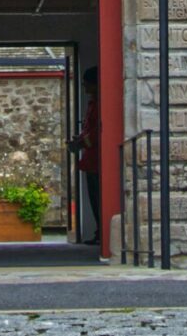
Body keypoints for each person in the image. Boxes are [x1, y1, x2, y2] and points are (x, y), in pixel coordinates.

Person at [69, 66, 101, 245]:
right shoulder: (93, 102)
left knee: (98, 197)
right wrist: (80, 139)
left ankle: (101, 233)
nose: (85, 87)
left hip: (97, 159)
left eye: (87, 84)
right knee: (94, 197)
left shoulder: (100, 103)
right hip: (91, 159)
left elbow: (98, 131)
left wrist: (83, 141)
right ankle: (99, 232)